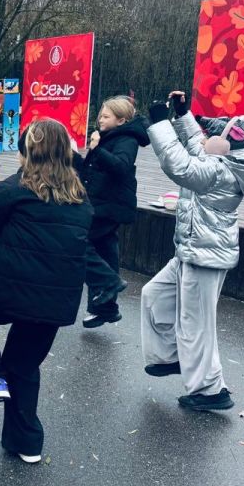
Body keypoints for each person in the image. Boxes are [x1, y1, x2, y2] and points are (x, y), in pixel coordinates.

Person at [0, 119, 92, 464]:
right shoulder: (79, 195)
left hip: (3, 292)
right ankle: (27, 442)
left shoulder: (9, 189)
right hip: (53, 304)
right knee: (23, 366)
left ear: (24, 153)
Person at [141, 92, 244, 411]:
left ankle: (210, 390)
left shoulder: (219, 173)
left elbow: (180, 165)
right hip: (192, 249)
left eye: (215, 134)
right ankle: (171, 357)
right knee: (154, 295)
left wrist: (160, 124)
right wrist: (183, 115)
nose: (207, 136)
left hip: (205, 255)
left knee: (196, 324)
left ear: (227, 145)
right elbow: (198, 145)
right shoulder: (225, 161)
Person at [78, 96, 150, 328]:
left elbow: (121, 166)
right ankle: (105, 308)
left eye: (106, 116)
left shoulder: (127, 139)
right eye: (100, 115)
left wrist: (97, 149)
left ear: (121, 120)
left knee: (79, 243)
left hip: (109, 206)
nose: (100, 119)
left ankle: (108, 284)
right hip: (102, 203)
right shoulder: (110, 137)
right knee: (106, 250)